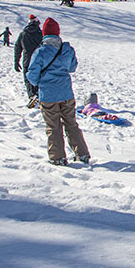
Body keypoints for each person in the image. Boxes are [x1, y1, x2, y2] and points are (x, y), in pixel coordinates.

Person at [26, 17, 91, 166]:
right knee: (71, 124)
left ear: (44, 34)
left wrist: (40, 83)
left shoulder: (40, 52)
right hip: (66, 94)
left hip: (48, 96)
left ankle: (57, 157)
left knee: (53, 126)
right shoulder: (67, 50)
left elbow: (31, 75)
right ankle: (82, 154)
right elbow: (72, 68)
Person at [14, 15, 43, 107]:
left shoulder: (23, 33)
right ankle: (38, 94)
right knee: (39, 77)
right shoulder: (41, 34)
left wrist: (16, 61)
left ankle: (32, 95)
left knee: (28, 78)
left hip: (27, 59)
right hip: (40, 59)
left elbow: (18, 47)